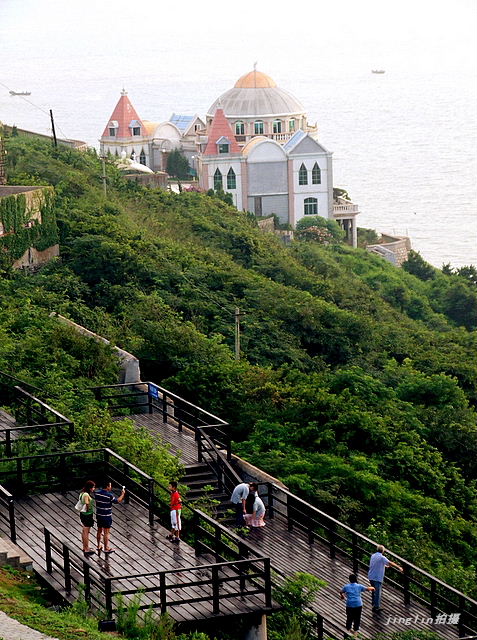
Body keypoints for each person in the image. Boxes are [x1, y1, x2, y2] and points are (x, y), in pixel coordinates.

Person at [368, 544, 403, 611]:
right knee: (377, 592)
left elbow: (376, 563)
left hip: (371, 576)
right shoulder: (382, 557)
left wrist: (384, 565)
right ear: (383, 551)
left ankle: (374, 604)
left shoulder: (373, 555)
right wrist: (399, 567)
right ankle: (376, 607)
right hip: (377, 577)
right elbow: (390, 562)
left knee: (373, 590)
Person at [340, 573, 374, 638]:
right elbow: (367, 589)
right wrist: (373, 588)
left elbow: (341, 591)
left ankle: (348, 632)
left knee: (349, 618)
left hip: (349, 605)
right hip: (358, 605)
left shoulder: (346, 587)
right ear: (356, 579)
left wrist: (342, 596)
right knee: (357, 619)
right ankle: (355, 635)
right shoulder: (359, 586)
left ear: (349, 580)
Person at [95, 480, 125, 554]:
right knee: (106, 532)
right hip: (106, 516)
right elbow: (117, 501)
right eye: (110, 485)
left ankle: (98, 545)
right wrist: (122, 494)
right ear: (107, 486)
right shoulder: (109, 495)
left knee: (99, 530)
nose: (111, 487)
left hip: (99, 515)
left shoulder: (97, 493)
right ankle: (106, 548)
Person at [78, 480, 96, 556]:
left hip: (83, 514)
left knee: (84, 530)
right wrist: (89, 509)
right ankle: (86, 548)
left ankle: (84, 546)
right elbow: (87, 503)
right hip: (87, 515)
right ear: (90, 487)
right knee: (86, 531)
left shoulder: (81, 493)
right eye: (93, 487)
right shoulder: (86, 495)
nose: (94, 489)